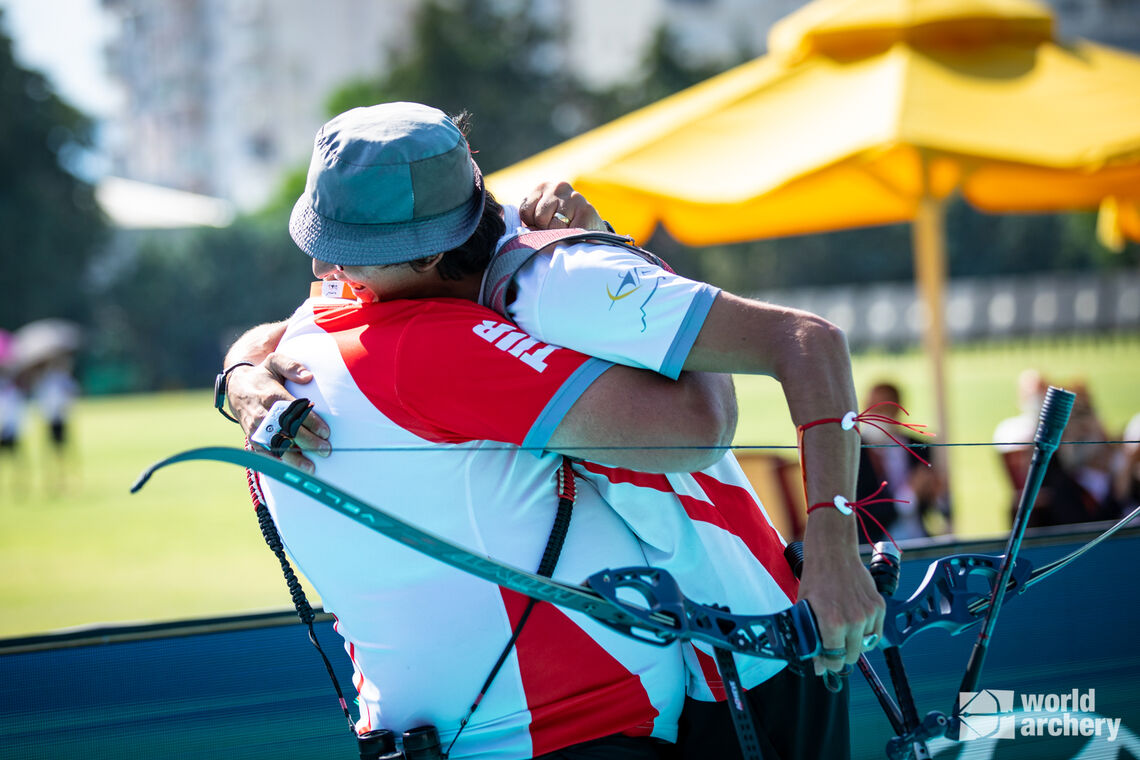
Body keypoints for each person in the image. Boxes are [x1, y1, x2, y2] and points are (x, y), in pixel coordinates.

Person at [222, 102, 883, 759]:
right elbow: (274, 332)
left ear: (430, 253)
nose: (327, 272)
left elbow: (734, 400)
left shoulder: (536, 291)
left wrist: (833, 547)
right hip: (624, 700)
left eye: (348, 257)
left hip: (723, 662)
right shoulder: (369, 304)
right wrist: (240, 374)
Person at [854, 382, 950, 544]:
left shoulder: (920, 447)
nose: (876, 414)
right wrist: (909, 495)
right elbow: (863, 510)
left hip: (918, 538)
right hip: (875, 543)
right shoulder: (857, 452)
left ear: (897, 409)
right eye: (871, 407)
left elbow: (942, 510)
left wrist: (938, 494)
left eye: (883, 408)